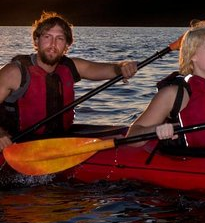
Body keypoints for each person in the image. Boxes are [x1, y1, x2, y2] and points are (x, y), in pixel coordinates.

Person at [0, 11, 138, 151]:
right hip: (17, 146)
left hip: (59, 141)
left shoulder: (70, 67)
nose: (53, 44)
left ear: (67, 45)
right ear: (36, 41)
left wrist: (122, 67)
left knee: (123, 133)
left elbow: (105, 69)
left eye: (60, 38)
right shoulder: (14, 72)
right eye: (47, 37)